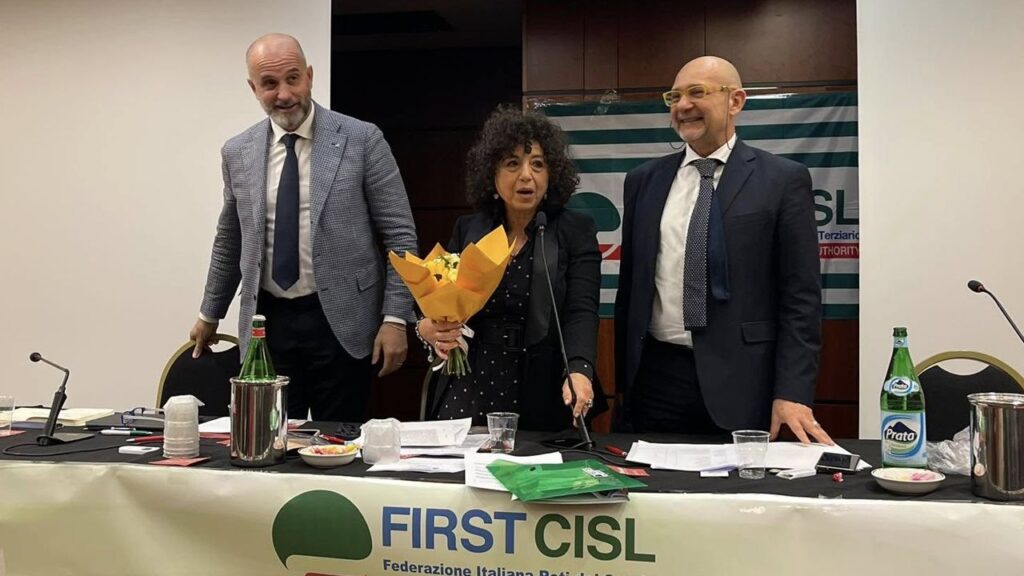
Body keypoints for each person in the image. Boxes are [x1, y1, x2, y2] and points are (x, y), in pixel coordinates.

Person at [189, 33, 418, 422]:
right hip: (268, 322)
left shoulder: (362, 139)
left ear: (309, 76)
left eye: (292, 79)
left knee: (340, 441)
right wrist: (210, 313)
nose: (284, 94)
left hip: (344, 321)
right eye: (269, 84)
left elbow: (400, 237)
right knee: (271, 438)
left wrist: (395, 318)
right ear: (253, 89)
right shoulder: (237, 152)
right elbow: (230, 239)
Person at [614, 56, 833, 444]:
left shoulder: (782, 180)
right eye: (674, 96)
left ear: (736, 101)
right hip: (655, 381)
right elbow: (630, 290)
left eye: (697, 92)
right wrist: (622, 385)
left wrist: (793, 391)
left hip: (746, 383)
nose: (683, 105)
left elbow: (801, 299)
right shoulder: (643, 181)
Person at [416, 107, 605, 432]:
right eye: (512, 163)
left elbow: (581, 311)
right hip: (471, 379)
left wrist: (579, 369)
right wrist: (428, 329)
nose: (526, 175)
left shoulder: (575, 230)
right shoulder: (469, 229)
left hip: (541, 382)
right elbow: (440, 300)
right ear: (492, 173)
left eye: (538, 164)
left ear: (551, 174)